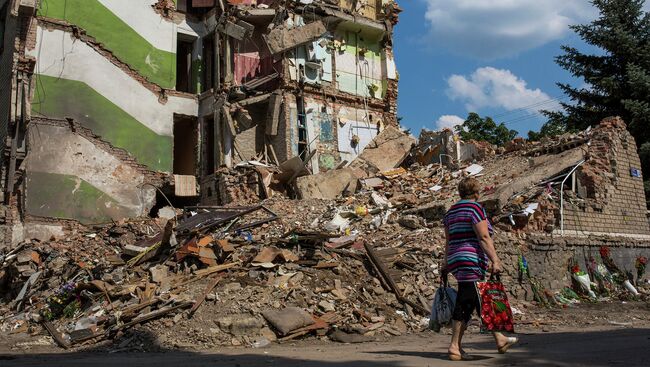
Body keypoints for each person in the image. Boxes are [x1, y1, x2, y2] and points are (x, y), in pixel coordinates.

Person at [442, 177, 518, 361]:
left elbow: (448, 240)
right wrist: (495, 260)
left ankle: (494, 340)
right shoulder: (475, 209)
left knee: (474, 298)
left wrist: (446, 263)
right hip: (471, 258)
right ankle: (455, 346)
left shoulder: (451, 212)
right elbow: (483, 236)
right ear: (476, 193)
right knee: (468, 300)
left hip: (456, 259)